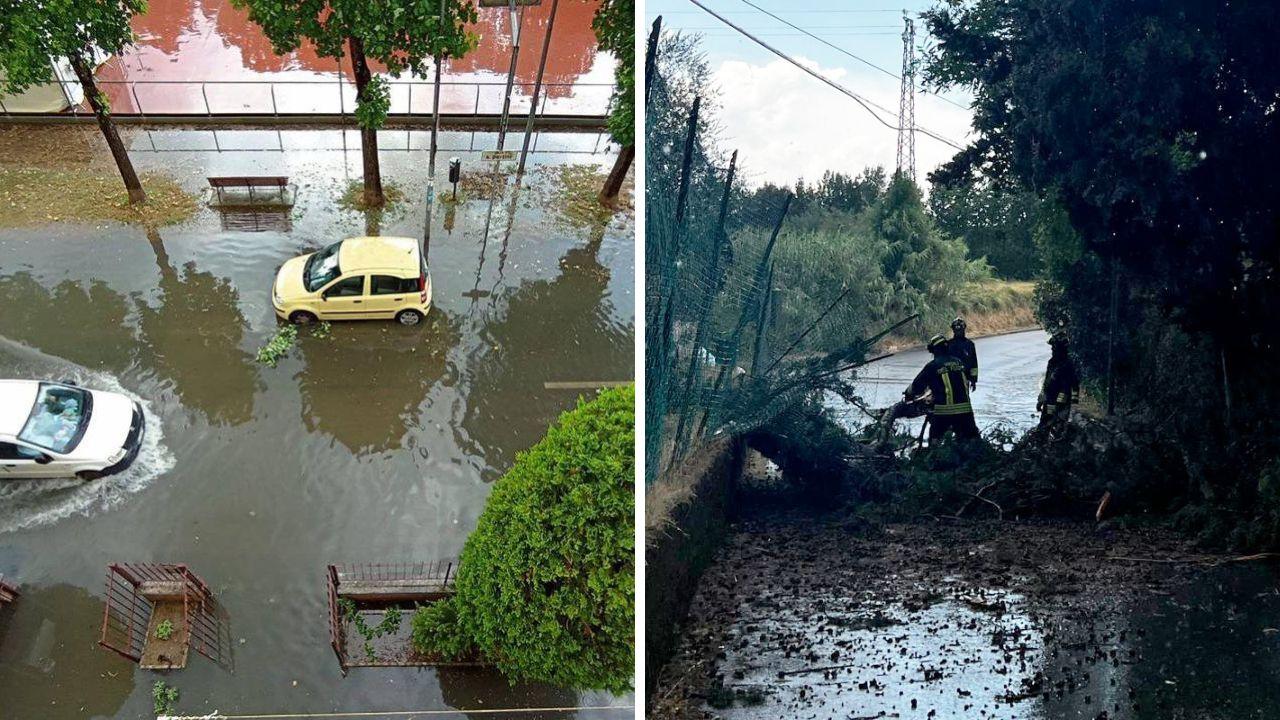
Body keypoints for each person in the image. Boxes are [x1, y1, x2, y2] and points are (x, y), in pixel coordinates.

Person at [906, 334, 980, 443]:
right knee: (972, 441)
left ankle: (935, 449)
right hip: (966, 411)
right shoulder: (959, 362)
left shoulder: (933, 366)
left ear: (934, 350)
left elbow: (917, 386)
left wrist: (908, 394)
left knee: (935, 440)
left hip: (944, 412)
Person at [1038, 332, 1080, 426]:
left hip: (1060, 403)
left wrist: (1059, 404)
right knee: (1045, 424)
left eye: (1054, 347)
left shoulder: (1067, 365)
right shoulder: (1052, 363)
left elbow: (1068, 387)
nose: (1052, 349)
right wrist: (1040, 399)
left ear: (1061, 349)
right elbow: (1047, 382)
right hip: (1050, 400)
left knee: (1056, 425)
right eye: (1052, 347)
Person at [947, 317, 978, 391]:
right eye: (956, 330)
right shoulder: (948, 344)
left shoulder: (970, 345)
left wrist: (973, 380)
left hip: (965, 379)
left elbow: (974, 363)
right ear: (953, 330)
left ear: (964, 329)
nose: (958, 332)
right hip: (950, 379)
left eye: (960, 330)